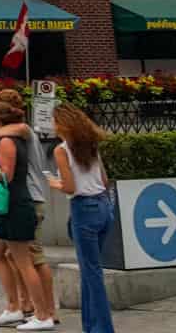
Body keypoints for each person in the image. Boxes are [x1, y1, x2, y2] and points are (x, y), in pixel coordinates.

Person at [0, 89, 56, 329]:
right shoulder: (10, 135)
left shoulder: (20, 132)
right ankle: (20, 306)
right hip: (15, 201)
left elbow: (7, 176)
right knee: (0, 253)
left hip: (25, 199)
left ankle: (44, 312)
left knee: (31, 259)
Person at [48, 103, 113, 333]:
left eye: (55, 121)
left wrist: (52, 183)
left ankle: (103, 328)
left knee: (92, 275)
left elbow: (69, 186)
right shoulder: (91, 144)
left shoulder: (61, 150)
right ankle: (90, 326)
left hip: (83, 209)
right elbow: (104, 181)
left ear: (63, 125)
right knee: (90, 271)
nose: (53, 126)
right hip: (104, 206)